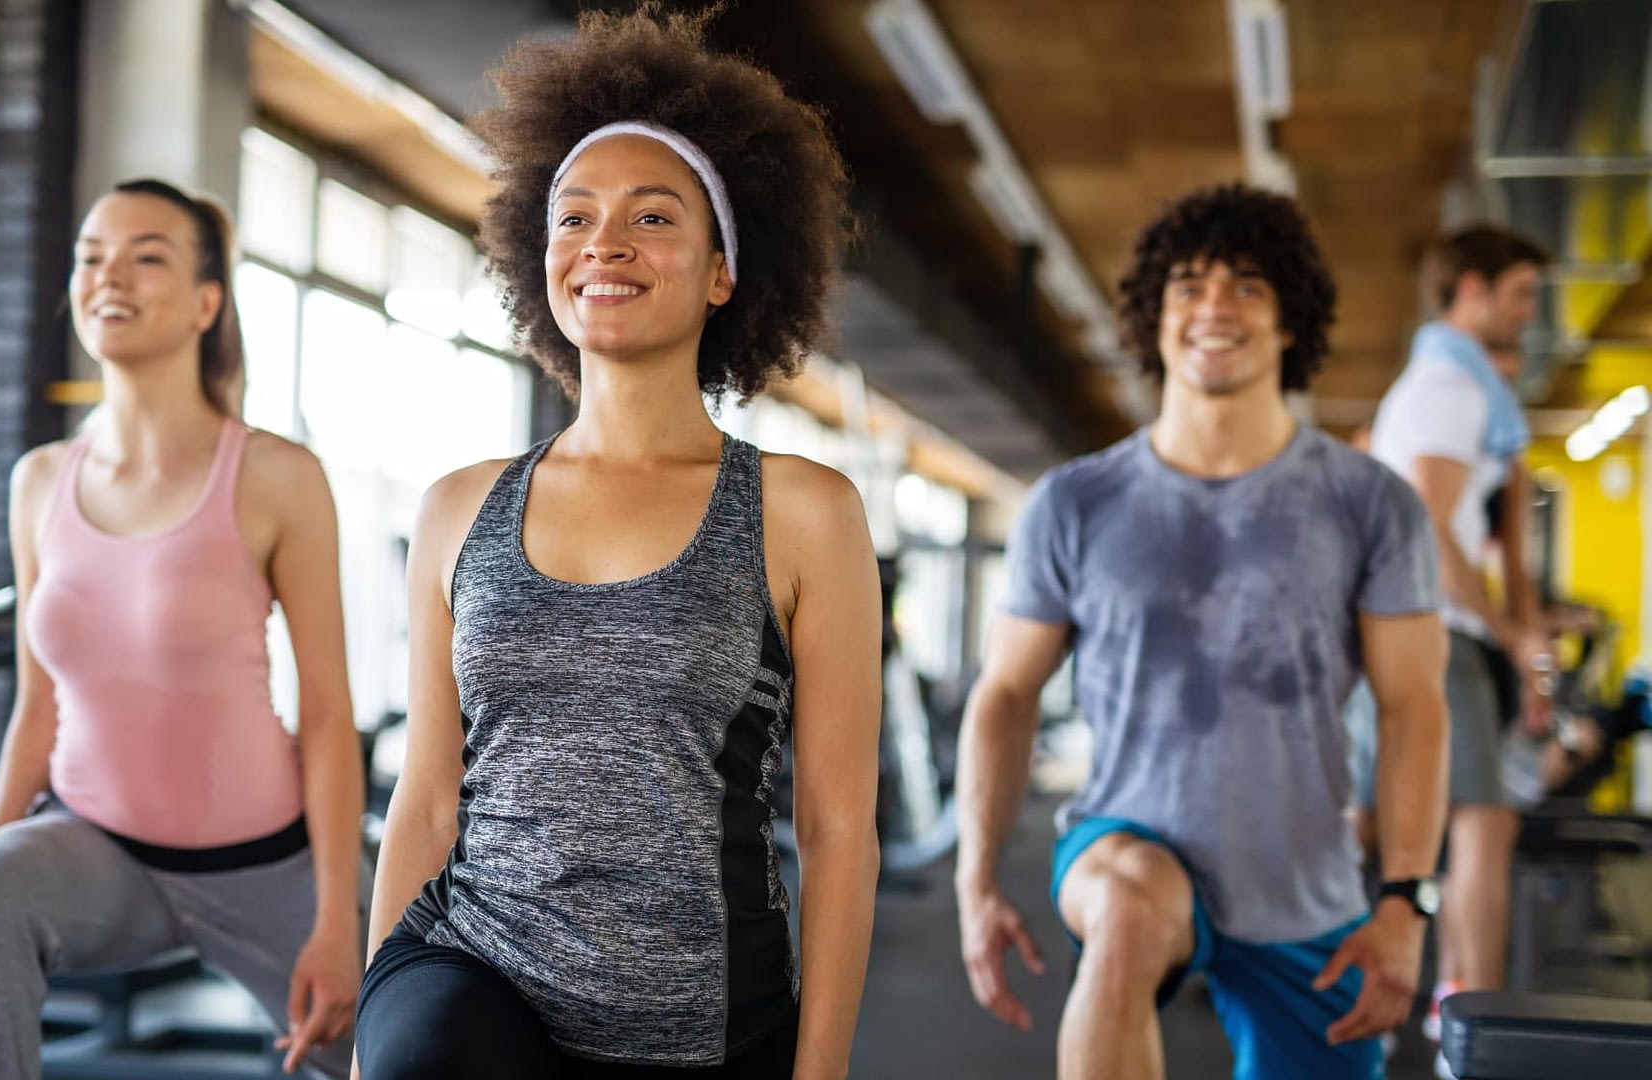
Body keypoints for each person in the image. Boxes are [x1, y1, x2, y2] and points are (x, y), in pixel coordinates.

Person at [350, 8, 880, 1080]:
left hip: (701, 1027)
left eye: (653, 218)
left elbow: (836, 831)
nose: (605, 244)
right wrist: (374, 1043)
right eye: (574, 217)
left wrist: (817, 1071)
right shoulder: (461, 507)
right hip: (469, 974)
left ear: (725, 272)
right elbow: (428, 798)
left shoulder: (802, 512)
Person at [955, 184, 1451, 1080]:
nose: (1214, 306)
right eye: (1187, 286)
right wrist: (976, 876)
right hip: (1126, 844)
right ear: (1154, 319)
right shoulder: (1076, 502)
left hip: (1306, 888)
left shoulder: (1371, 504)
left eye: (1247, 286)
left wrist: (1406, 902)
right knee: (1128, 914)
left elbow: (1415, 706)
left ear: (1289, 321)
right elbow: (1007, 691)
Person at [0, 179, 367, 1079]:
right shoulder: (40, 480)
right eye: (91, 256)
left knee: (419, 1051)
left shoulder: (279, 476)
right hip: (99, 847)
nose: (107, 275)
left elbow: (326, 714)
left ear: (208, 301)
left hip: (268, 862)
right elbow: (38, 708)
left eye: (146, 255)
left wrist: (334, 923)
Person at [1366, 224, 1551, 1058]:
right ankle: (1468, 1021)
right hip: (1445, 635)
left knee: (1455, 827)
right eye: (1520, 294)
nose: (1529, 313)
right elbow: (1434, 532)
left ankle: (1458, 1011)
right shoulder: (1448, 385)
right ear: (1470, 290)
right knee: (1481, 829)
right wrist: (1512, 637)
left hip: (1444, 634)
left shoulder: (1463, 388)